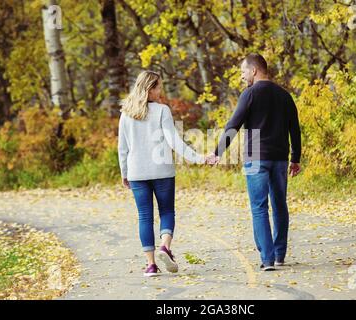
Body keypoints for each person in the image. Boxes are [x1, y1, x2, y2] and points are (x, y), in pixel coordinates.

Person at [206, 53, 302, 271]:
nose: (242, 76)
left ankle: (267, 260)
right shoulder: (285, 96)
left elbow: (234, 124)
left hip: (256, 157)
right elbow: (294, 130)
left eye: (243, 71)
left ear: (254, 70)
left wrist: (218, 152)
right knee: (279, 205)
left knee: (259, 207)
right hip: (279, 158)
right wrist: (295, 158)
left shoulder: (249, 94)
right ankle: (279, 255)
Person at [118, 71, 205, 277]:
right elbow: (174, 142)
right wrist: (199, 158)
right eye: (158, 87)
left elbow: (123, 148)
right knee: (166, 212)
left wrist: (124, 173)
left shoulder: (126, 113)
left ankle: (150, 265)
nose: (161, 91)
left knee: (144, 216)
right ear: (149, 89)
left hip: (136, 172)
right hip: (162, 170)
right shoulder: (162, 111)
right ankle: (165, 247)